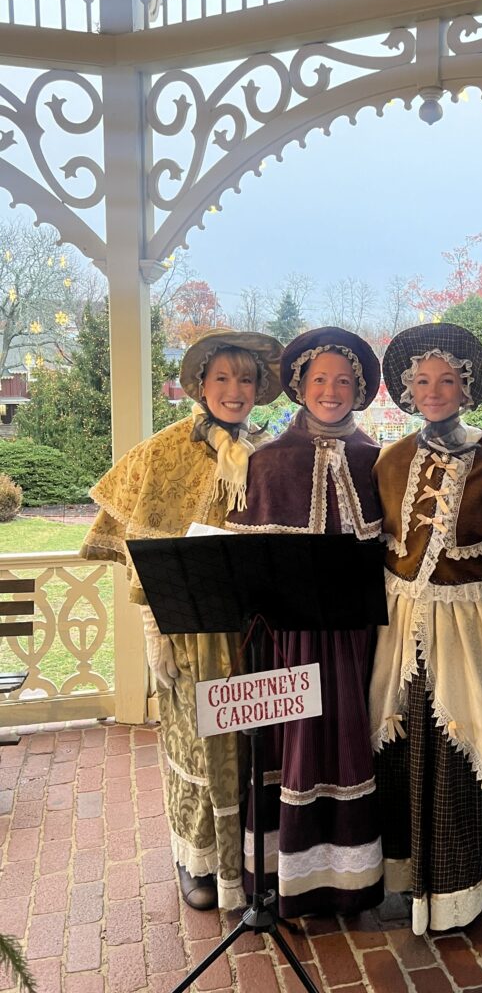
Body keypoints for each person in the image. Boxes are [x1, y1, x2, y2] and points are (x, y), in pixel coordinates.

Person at [81, 328, 284, 911]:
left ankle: (251, 861)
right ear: (199, 385)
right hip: (189, 634)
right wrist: (153, 631)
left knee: (254, 747)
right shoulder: (165, 450)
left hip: (254, 631)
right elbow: (136, 543)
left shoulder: (269, 453)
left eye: (246, 379)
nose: (234, 390)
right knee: (202, 746)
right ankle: (197, 862)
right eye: (222, 377)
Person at [370, 322, 482, 936]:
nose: (434, 390)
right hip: (402, 624)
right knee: (403, 738)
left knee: (470, 743)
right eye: (422, 381)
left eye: (447, 380)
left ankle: (465, 889)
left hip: (473, 622)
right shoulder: (390, 460)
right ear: (407, 391)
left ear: (467, 387)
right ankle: (406, 878)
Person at [227, 326, 384, 917]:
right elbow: (242, 565)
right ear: (300, 385)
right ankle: (282, 875)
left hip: (353, 638)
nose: (331, 390)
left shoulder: (378, 460)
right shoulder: (267, 462)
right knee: (286, 748)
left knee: (350, 741)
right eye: (319, 379)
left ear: (360, 389)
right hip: (288, 640)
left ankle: (350, 878)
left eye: (343, 380)